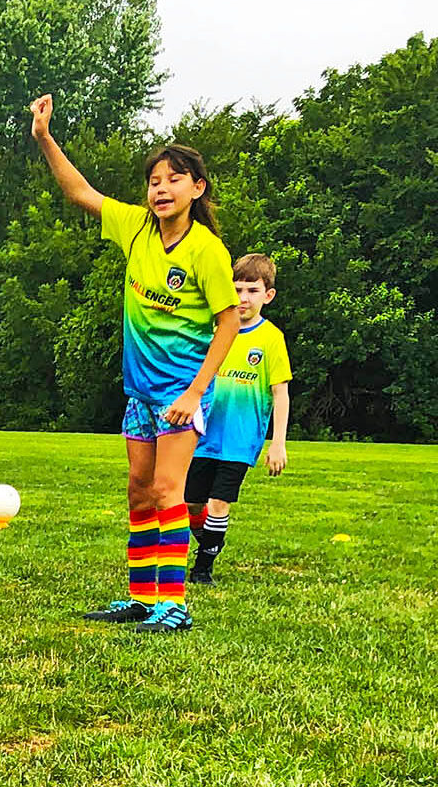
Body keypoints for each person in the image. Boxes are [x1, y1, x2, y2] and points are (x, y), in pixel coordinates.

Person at [31, 94, 238, 633]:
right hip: (141, 394)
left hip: (181, 394)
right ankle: (143, 598)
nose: (161, 189)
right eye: (154, 181)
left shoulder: (207, 252)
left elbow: (229, 323)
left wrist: (195, 394)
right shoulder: (136, 228)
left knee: (170, 490)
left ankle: (174, 605)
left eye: (174, 179)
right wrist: (44, 138)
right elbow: (79, 192)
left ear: (198, 188)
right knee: (139, 490)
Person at [186, 253, 291, 584]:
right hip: (202, 434)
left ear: (268, 296)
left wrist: (278, 444)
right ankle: (210, 542)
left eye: (252, 290)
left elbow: (280, 394)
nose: (243, 298)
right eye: (238, 290)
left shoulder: (271, 339)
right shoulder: (214, 331)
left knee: (219, 502)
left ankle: (202, 569)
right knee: (191, 503)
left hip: (239, 438)